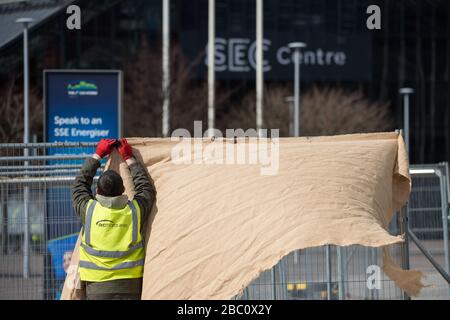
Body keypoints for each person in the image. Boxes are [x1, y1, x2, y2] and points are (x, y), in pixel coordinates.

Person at [72, 138, 155, 300]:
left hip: (96, 288)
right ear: (124, 189)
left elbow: (79, 184)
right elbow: (145, 188)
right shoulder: (134, 211)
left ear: (97, 190)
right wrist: (129, 158)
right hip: (130, 287)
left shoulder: (89, 210)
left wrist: (98, 155)